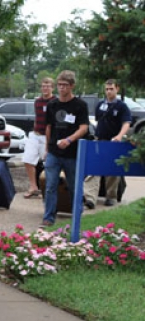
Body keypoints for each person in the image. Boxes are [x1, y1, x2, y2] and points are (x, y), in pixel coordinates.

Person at [42, 70, 89, 227]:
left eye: (65, 85)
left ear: (72, 86)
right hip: (54, 152)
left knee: (74, 186)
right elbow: (49, 127)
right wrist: (47, 148)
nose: (61, 88)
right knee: (50, 186)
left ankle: (77, 215)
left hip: (72, 152)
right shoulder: (52, 105)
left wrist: (69, 140)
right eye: (59, 85)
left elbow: (84, 128)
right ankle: (48, 217)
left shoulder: (80, 105)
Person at [83, 79, 131, 208]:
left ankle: (111, 197)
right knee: (94, 169)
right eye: (107, 89)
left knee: (112, 171)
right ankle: (90, 198)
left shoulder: (122, 106)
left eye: (111, 89)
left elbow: (126, 123)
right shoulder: (100, 105)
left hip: (114, 142)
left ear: (117, 89)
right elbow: (98, 121)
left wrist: (119, 136)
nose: (109, 91)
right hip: (99, 141)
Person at [21, 78, 54, 198]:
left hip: (48, 137)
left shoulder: (55, 101)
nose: (45, 88)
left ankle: (47, 189)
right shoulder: (38, 101)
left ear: (52, 88)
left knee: (48, 163)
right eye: (43, 86)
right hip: (35, 134)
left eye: (48, 86)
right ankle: (33, 187)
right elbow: (37, 117)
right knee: (27, 159)